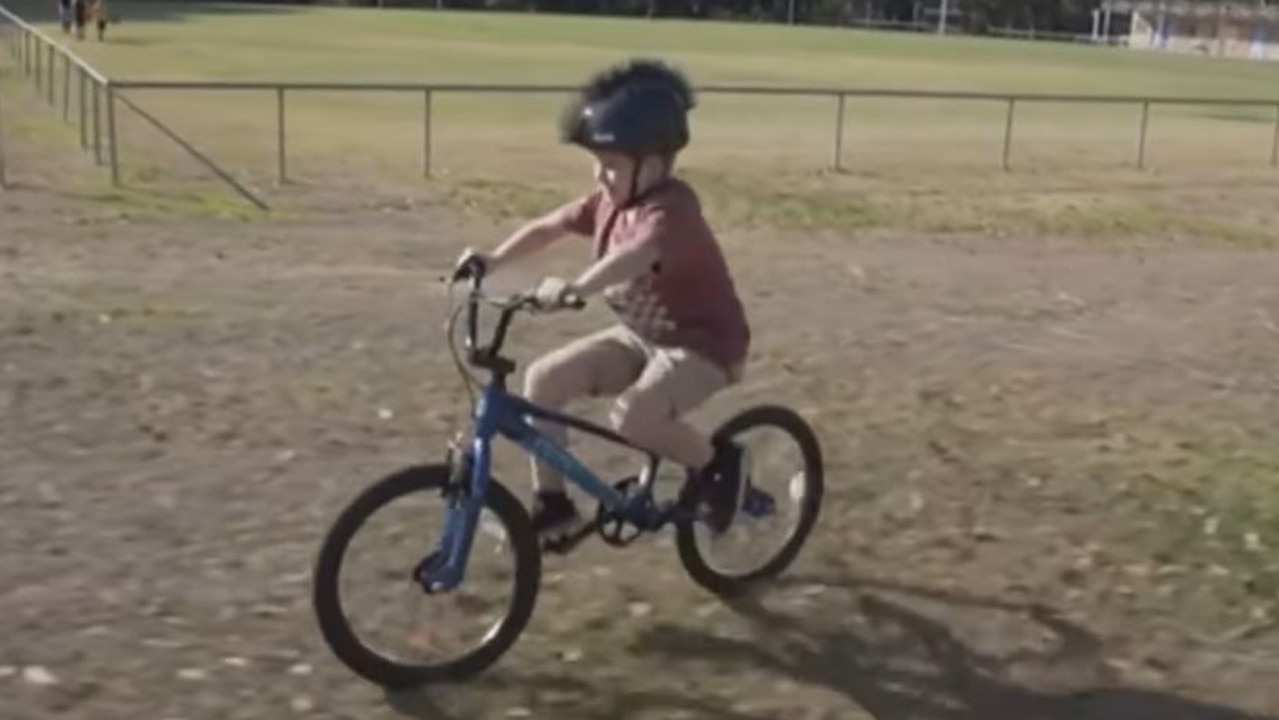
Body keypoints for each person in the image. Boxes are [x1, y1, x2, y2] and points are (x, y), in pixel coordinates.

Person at [452, 58, 752, 540]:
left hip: (702, 347)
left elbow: (636, 256)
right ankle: (553, 507)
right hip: (641, 337)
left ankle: (720, 462)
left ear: (652, 164)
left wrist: (576, 289)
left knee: (634, 418)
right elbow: (549, 226)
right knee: (544, 379)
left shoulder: (670, 210)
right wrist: (492, 259)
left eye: (610, 164)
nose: (599, 175)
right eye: (597, 162)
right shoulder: (610, 203)